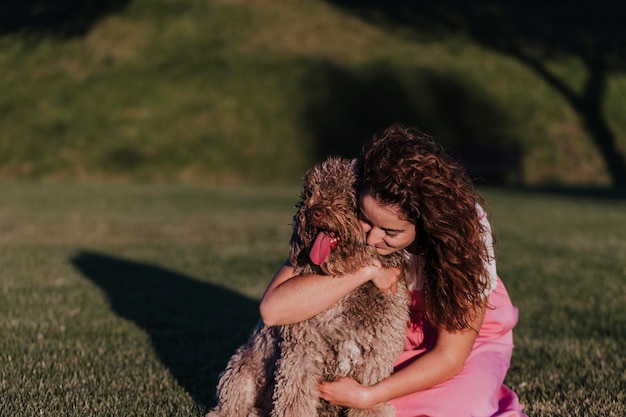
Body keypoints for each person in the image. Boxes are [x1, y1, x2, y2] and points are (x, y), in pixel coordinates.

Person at [259, 124, 527, 417]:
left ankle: (482, 383)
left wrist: (367, 395)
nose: (373, 239)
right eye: (366, 220)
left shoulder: (465, 236)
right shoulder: (348, 203)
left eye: (390, 231)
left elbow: (450, 356)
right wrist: (366, 270)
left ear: (425, 223)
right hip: (390, 332)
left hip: (463, 338)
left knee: (455, 410)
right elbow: (273, 310)